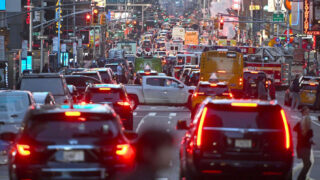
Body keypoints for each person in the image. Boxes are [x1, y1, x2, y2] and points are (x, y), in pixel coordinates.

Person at [294, 106, 314, 180]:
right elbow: (309, 137)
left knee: (307, 164)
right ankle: (301, 178)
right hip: (305, 148)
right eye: (306, 112)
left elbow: (294, 129)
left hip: (300, 147)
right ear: (303, 113)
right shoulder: (308, 128)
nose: (308, 114)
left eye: (308, 112)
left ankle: (302, 177)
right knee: (308, 164)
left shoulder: (300, 125)